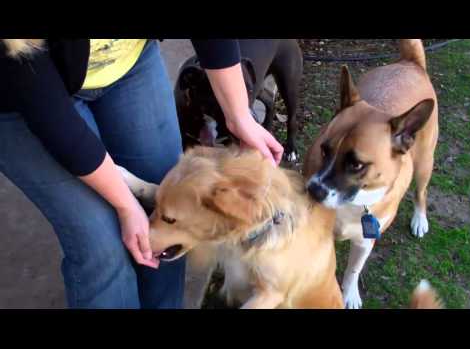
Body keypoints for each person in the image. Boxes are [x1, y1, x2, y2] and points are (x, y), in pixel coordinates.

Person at [0, 39, 283, 309]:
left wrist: (238, 115)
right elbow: (51, 117)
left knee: (172, 206)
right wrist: (125, 204)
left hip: (129, 64)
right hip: (23, 93)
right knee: (102, 242)